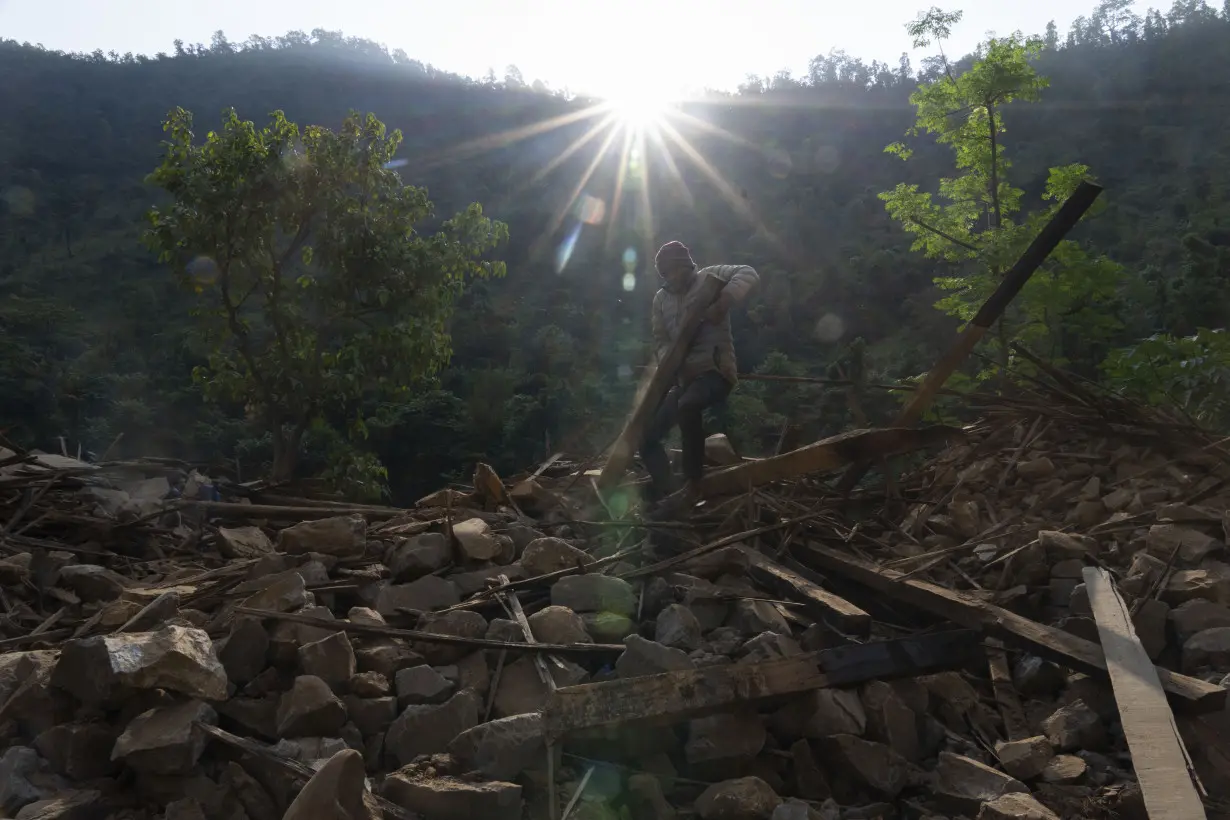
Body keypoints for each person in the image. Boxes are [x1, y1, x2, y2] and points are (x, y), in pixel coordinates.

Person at [640, 240, 760, 513]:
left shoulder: (709, 277)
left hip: (716, 371)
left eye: (678, 270)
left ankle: (694, 483)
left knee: (689, 406)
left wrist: (724, 301)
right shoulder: (661, 299)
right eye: (668, 273)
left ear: (687, 265)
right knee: (647, 438)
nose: (675, 277)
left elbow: (749, 273)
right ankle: (671, 491)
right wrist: (668, 361)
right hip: (685, 379)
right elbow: (660, 339)